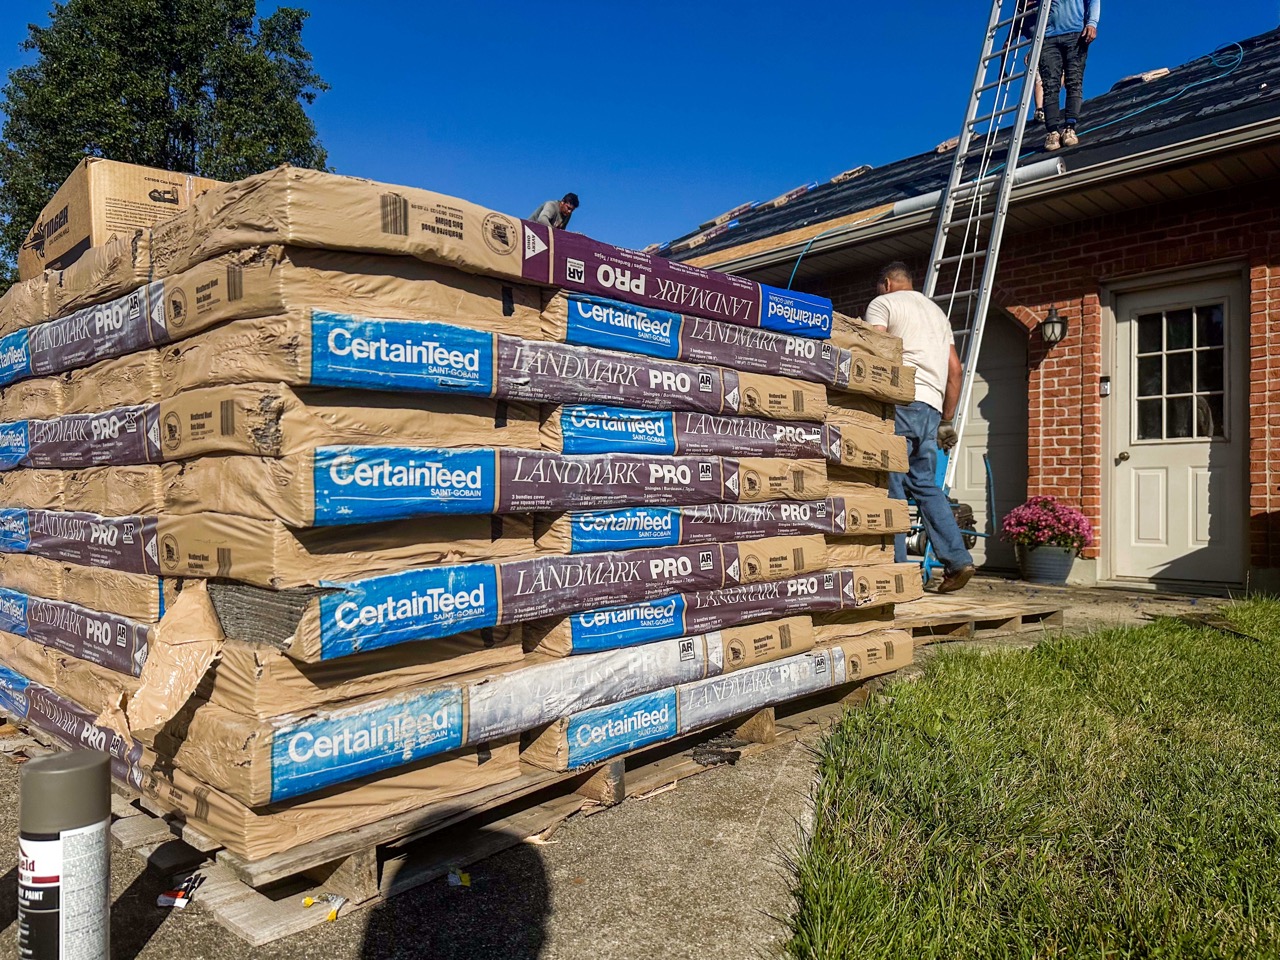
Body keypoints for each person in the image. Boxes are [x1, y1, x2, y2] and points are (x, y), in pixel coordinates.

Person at [866, 262, 975, 593]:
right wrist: (945, 419)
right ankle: (958, 560)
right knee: (925, 484)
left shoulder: (883, 304)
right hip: (930, 405)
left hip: (898, 400)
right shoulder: (939, 315)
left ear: (886, 283)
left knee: (891, 484)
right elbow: (955, 371)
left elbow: (875, 350)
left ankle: (897, 573)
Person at [1038, 0, 1100, 150]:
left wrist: (1092, 23)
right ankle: (1052, 132)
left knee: (1074, 81)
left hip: (1075, 33)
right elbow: (1033, 10)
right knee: (1050, 85)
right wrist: (1034, 42)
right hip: (1048, 38)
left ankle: (1069, 128)